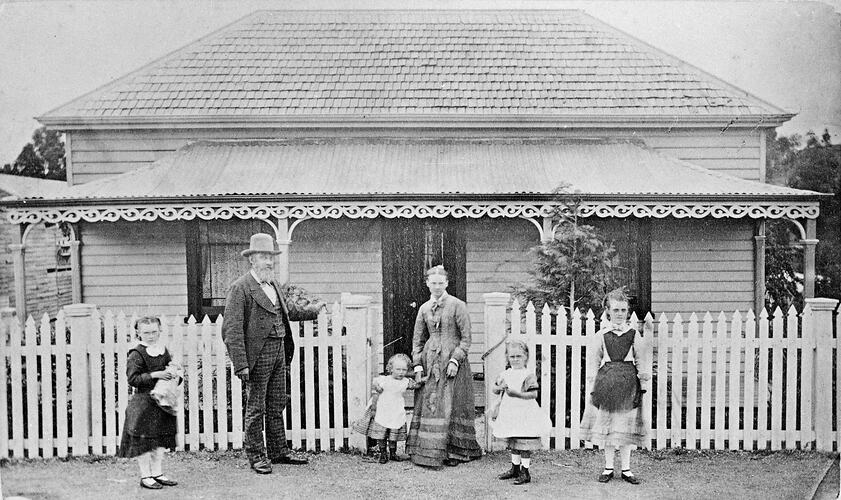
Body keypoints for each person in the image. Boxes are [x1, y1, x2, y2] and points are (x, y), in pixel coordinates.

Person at [222, 233, 321, 474]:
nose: (268, 262)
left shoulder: (273, 284)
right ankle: (256, 455)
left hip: (279, 350)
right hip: (257, 355)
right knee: (256, 408)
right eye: (263, 257)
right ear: (252, 260)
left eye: (271, 257)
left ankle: (278, 451)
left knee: (277, 403)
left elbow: (286, 312)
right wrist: (241, 364)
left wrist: (313, 311)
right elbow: (231, 329)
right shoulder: (241, 287)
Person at [406, 265, 482, 467]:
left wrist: (456, 359)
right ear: (427, 284)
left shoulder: (458, 305)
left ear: (447, 283)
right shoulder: (423, 308)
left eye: (441, 283)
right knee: (431, 404)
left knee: (452, 403)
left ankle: (454, 452)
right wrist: (418, 365)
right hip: (430, 362)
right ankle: (428, 450)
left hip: (452, 362)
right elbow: (417, 340)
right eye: (433, 283)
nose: (437, 286)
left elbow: (466, 339)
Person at [580, 288, 651, 485]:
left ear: (627, 312)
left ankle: (626, 469)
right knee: (609, 427)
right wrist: (593, 384)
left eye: (623, 310)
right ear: (607, 311)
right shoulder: (601, 335)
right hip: (607, 384)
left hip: (628, 384)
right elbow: (593, 361)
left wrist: (642, 384)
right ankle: (608, 467)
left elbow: (641, 360)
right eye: (615, 310)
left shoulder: (634, 334)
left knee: (625, 428)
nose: (619, 314)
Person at [117, 316, 180, 490]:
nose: (151, 336)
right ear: (138, 332)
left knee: (159, 441)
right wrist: (155, 375)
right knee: (144, 443)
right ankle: (146, 476)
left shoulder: (163, 350)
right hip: (143, 403)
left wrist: (174, 373)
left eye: (154, 332)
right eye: (146, 333)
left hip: (161, 402)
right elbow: (133, 379)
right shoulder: (136, 353)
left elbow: (170, 367)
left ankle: (158, 473)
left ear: (160, 331)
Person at [491, 340, 551, 485]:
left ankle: (525, 471)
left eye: (519, 356)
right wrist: (500, 388)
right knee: (514, 439)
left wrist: (517, 394)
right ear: (507, 357)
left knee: (524, 440)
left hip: (525, 411)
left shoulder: (528, 375)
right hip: (510, 411)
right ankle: (515, 468)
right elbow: (494, 389)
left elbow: (534, 394)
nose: (515, 359)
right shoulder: (505, 373)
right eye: (512, 357)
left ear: (525, 357)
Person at [352, 353, 421, 463]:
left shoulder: (405, 381)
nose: (401, 372)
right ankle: (383, 453)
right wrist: (374, 408)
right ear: (390, 369)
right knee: (382, 434)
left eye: (404, 370)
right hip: (383, 409)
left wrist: (425, 378)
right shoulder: (384, 380)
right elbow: (375, 391)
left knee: (394, 432)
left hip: (396, 409)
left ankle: (393, 453)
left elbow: (417, 385)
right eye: (398, 369)